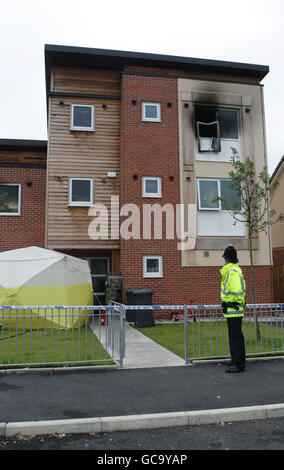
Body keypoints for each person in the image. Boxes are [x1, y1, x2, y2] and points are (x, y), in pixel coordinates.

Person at [220, 245, 246, 373]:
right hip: (232, 309)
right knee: (234, 337)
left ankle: (238, 364)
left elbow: (236, 291)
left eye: (224, 258)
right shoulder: (233, 270)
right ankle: (235, 360)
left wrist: (229, 303)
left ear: (227, 258)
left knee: (235, 338)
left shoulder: (232, 271)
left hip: (233, 309)